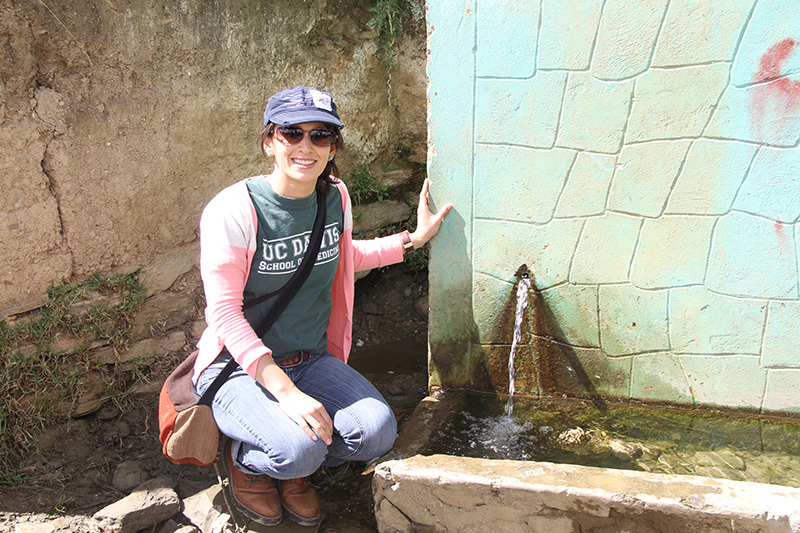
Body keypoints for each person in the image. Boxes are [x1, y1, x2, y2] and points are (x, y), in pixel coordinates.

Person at [192, 86, 452, 527]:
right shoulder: (234, 210)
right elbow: (224, 314)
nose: (305, 146)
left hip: (309, 359)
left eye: (321, 135)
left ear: (334, 146)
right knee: (299, 449)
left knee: (377, 432)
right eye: (291, 133)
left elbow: (341, 255)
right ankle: (249, 460)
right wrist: (287, 394)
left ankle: (295, 463)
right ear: (269, 142)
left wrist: (412, 239)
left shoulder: (334, 197)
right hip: (239, 367)